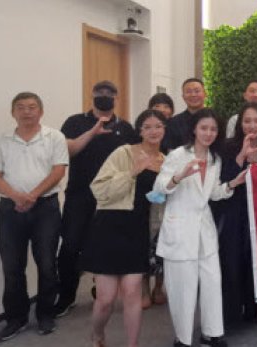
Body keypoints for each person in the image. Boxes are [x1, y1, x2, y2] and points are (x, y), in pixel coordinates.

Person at [154, 108, 246, 347]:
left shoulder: (215, 159)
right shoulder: (178, 155)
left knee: (212, 282)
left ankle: (211, 333)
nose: (208, 133)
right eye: (204, 128)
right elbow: (159, 188)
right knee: (183, 289)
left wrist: (232, 184)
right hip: (180, 228)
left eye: (213, 129)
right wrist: (178, 176)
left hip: (205, 230)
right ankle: (182, 339)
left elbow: (213, 194)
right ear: (194, 129)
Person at [81, 110, 166, 347]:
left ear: (164, 129)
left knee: (132, 293)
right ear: (140, 130)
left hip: (139, 230)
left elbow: (162, 198)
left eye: (158, 126)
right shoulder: (124, 153)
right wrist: (132, 172)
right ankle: (98, 334)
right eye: (147, 126)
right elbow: (99, 190)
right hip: (109, 227)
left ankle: (132, 344)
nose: (153, 131)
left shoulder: (165, 161)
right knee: (106, 299)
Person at [0, 92, 68, 342]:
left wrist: (32, 195)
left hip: (45, 208)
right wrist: (17, 197)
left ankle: (45, 314)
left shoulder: (54, 137)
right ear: (13, 112)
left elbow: (58, 171)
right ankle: (16, 318)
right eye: (21, 107)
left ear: (40, 112)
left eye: (32, 107)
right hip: (9, 209)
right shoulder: (1, 140)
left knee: (47, 263)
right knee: (12, 266)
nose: (26, 111)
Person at [56, 81, 139, 316]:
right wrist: (92, 132)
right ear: (91, 96)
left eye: (109, 93)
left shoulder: (126, 128)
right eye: (99, 93)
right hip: (79, 194)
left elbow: (133, 159)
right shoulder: (74, 122)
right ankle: (66, 297)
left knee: (106, 245)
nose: (104, 96)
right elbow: (67, 151)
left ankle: (101, 292)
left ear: (116, 98)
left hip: (113, 198)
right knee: (70, 245)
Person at [214, 102, 257, 328]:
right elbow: (223, 179)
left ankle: (251, 309)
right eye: (247, 121)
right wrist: (241, 155)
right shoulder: (227, 146)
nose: (252, 126)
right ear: (239, 123)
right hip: (233, 210)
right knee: (232, 259)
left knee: (253, 259)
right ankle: (230, 313)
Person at [145, 93, 175, 308]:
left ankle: (158, 287)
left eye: (166, 106)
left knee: (162, 242)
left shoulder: (172, 141)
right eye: (157, 105)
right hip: (142, 200)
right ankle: (144, 289)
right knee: (144, 243)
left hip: (166, 199)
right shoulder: (136, 145)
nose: (154, 130)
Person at [164, 78, 208, 152]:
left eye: (197, 91)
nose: (193, 95)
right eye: (188, 92)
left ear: (205, 94)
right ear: (183, 97)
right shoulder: (173, 123)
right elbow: (170, 151)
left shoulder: (215, 121)